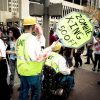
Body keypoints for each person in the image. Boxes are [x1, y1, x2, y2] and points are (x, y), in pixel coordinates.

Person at [15, 16, 58, 100]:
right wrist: (51, 47)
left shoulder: (20, 38)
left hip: (22, 71)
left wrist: (40, 35)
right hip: (33, 72)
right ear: (33, 26)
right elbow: (38, 57)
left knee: (24, 91)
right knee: (35, 93)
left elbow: (21, 53)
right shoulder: (32, 39)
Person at [6, 27, 20, 94]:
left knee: (20, 74)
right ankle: (10, 87)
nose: (9, 33)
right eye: (9, 32)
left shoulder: (19, 40)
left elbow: (19, 51)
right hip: (11, 59)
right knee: (11, 74)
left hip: (18, 59)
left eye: (11, 32)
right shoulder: (9, 41)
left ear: (14, 32)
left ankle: (23, 86)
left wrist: (10, 52)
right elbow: (7, 49)